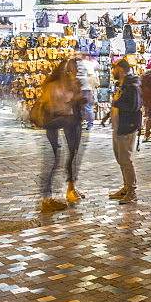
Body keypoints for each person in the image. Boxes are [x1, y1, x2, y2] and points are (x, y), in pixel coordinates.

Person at [37, 59, 87, 212]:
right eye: (70, 69)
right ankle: (47, 199)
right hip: (55, 126)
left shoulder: (67, 84)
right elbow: (55, 106)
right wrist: (71, 102)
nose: (73, 72)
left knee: (58, 160)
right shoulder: (55, 86)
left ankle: (50, 197)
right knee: (53, 162)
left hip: (64, 124)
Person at [109, 59, 141, 204]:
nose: (113, 71)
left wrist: (116, 102)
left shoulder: (131, 86)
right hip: (119, 126)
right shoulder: (122, 85)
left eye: (115, 68)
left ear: (121, 70)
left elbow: (133, 106)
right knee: (121, 160)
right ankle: (126, 187)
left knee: (126, 160)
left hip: (127, 127)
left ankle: (131, 191)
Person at [75, 54, 98, 130]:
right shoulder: (76, 63)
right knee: (78, 106)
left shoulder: (87, 64)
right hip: (77, 88)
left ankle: (90, 123)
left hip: (85, 88)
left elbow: (91, 76)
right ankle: (80, 122)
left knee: (87, 106)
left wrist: (91, 88)